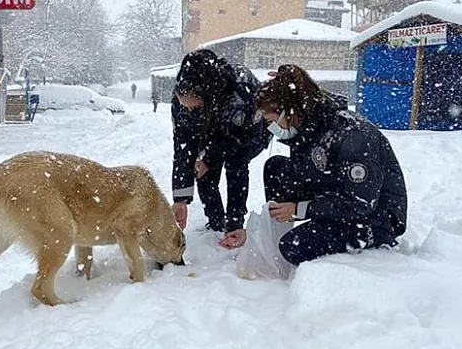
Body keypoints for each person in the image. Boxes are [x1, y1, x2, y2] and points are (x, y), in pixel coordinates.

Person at [223, 64, 408, 265]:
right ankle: (276, 236)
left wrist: (300, 209)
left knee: (293, 247)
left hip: (373, 218)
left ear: (289, 112)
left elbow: (360, 203)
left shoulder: (354, 136)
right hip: (335, 194)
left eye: (272, 121)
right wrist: (262, 228)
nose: (270, 128)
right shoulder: (307, 125)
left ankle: (310, 240)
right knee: (275, 168)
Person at [170, 49, 272, 242]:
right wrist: (180, 199)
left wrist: (209, 158)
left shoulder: (241, 92)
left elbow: (240, 144)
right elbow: (183, 146)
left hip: (249, 133)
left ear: (208, 97)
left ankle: (234, 224)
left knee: (235, 166)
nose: (188, 111)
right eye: (185, 106)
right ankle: (216, 223)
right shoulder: (182, 99)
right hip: (211, 129)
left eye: (195, 106)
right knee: (203, 172)